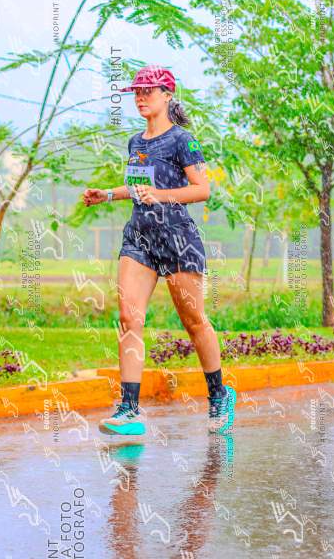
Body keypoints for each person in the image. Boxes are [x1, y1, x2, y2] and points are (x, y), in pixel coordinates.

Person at [83, 64, 236, 437]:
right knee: (129, 317)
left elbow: (202, 190)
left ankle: (219, 394)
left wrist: (162, 196)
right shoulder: (135, 142)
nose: (140, 97)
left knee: (194, 321)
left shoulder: (183, 140)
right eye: (136, 92)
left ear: (167, 95)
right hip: (139, 238)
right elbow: (138, 187)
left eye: (147, 91)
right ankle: (129, 409)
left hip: (177, 239)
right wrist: (107, 194)